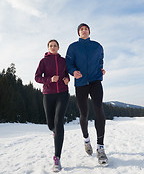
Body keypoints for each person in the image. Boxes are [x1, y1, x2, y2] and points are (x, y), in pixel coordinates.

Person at [66, 23, 108, 166]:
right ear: (78, 33)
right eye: (81, 29)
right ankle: (86, 140)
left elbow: (100, 60)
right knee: (84, 113)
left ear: (89, 32)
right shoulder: (73, 47)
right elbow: (69, 63)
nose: (84, 31)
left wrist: (101, 69)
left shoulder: (97, 46)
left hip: (96, 81)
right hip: (81, 83)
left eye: (86, 29)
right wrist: (73, 72)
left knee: (99, 110)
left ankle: (100, 148)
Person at [35, 39, 70, 172]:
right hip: (48, 94)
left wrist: (67, 79)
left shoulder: (63, 61)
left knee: (58, 121)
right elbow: (37, 77)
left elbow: (66, 74)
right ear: (48, 48)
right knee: (51, 125)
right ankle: (55, 132)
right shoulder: (43, 61)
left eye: (55, 45)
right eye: (51, 46)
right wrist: (49, 80)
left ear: (58, 47)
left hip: (62, 93)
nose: (53, 47)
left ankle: (57, 158)